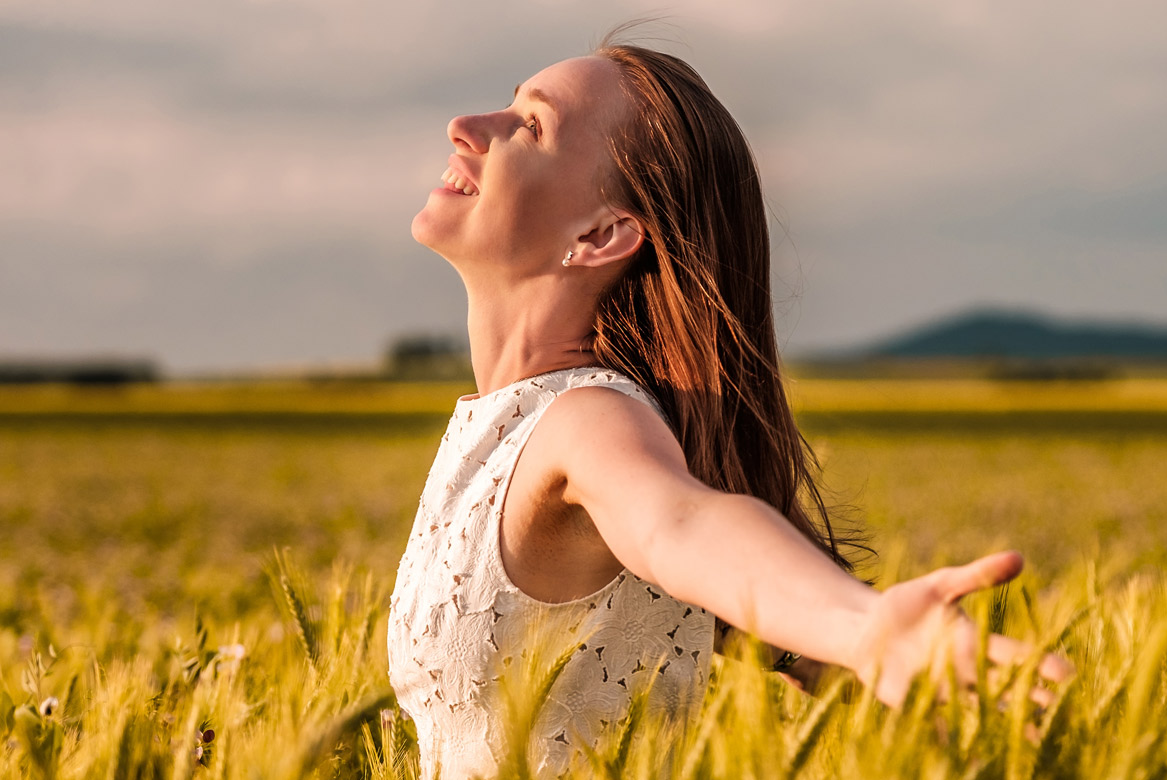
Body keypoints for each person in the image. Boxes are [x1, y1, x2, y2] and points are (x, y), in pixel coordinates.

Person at [385, 29, 1073, 778]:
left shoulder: (588, 421)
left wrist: (865, 625)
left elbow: (680, 523)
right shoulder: (506, 425)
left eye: (532, 125)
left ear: (602, 234)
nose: (467, 127)